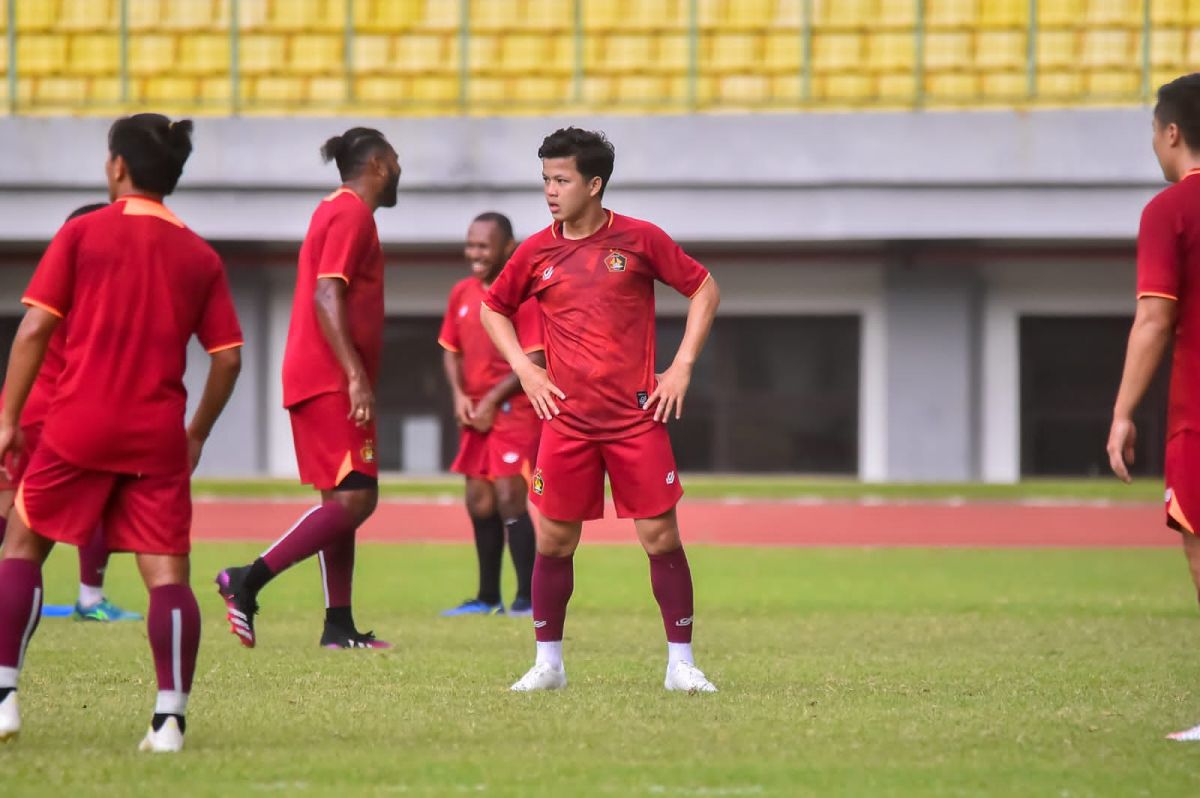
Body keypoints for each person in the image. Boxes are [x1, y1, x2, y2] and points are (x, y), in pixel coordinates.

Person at [0, 114, 243, 751]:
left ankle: (3, 698)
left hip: (77, 424)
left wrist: (7, 419)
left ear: (117, 166)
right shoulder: (199, 254)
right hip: (157, 435)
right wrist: (196, 434)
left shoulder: (82, 233)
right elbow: (228, 359)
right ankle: (169, 721)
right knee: (167, 578)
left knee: (21, 548)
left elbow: (34, 330)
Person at [480, 127, 721, 693]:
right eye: (545, 179)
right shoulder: (534, 251)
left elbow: (704, 289)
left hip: (637, 419)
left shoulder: (640, 238)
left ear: (593, 185)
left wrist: (682, 366)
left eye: (561, 180)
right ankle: (548, 665)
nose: (550, 191)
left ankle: (681, 665)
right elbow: (494, 308)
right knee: (553, 543)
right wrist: (525, 370)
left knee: (661, 538)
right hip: (566, 423)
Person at [216, 128, 401, 651]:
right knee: (357, 498)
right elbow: (326, 294)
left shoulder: (336, 211)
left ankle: (338, 625)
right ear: (378, 165)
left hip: (318, 375)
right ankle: (246, 579)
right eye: (395, 160)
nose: (398, 170)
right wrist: (354, 375)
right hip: (329, 378)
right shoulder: (350, 213)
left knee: (340, 501)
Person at [1108, 72, 1200, 741]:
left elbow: (1155, 318)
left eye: (1152, 131)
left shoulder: (1171, 211)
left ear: (1171, 132)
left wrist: (1122, 411)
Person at [0, 203, 141, 624]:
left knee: (15, 504)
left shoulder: (71, 281)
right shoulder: (92, 290)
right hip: (52, 409)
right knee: (23, 505)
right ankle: (90, 598)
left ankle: (90, 598)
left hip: (36, 405)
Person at [439, 212, 543, 617]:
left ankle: (528, 600)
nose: (475, 253)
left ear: (508, 248)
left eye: (484, 246)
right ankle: (487, 598)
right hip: (475, 413)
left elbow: (535, 359)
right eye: (471, 245)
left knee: (509, 497)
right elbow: (451, 350)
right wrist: (459, 396)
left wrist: (491, 400)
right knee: (479, 501)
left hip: (514, 410)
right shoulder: (461, 293)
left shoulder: (523, 294)